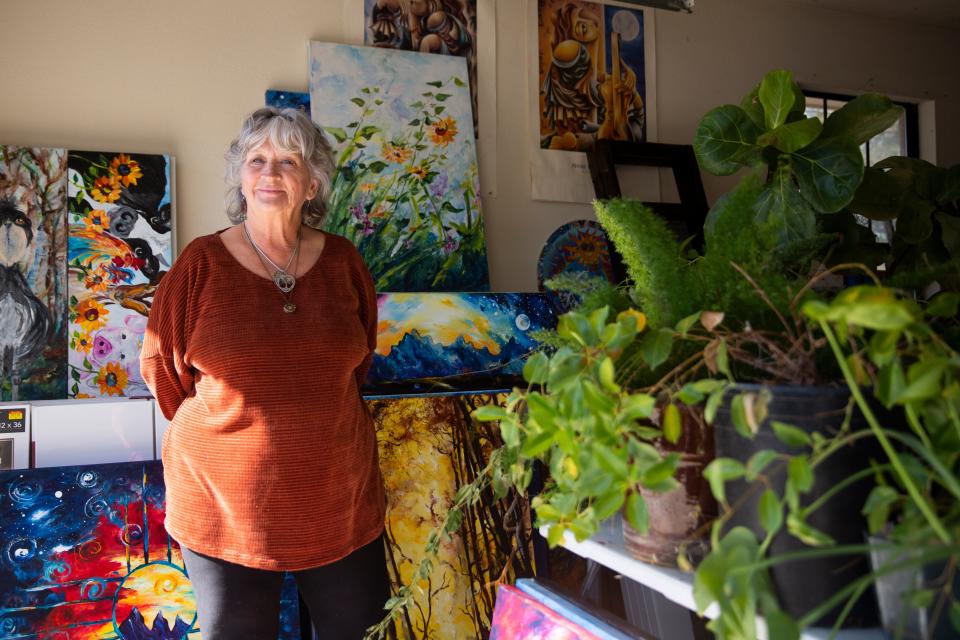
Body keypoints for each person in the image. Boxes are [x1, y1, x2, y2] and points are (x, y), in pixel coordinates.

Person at [141, 107, 389, 639]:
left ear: (313, 182)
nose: (269, 173)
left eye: (287, 160)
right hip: (223, 507)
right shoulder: (200, 264)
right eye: (256, 159)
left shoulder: (345, 262)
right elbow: (163, 372)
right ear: (240, 175)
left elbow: (358, 360)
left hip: (338, 502)